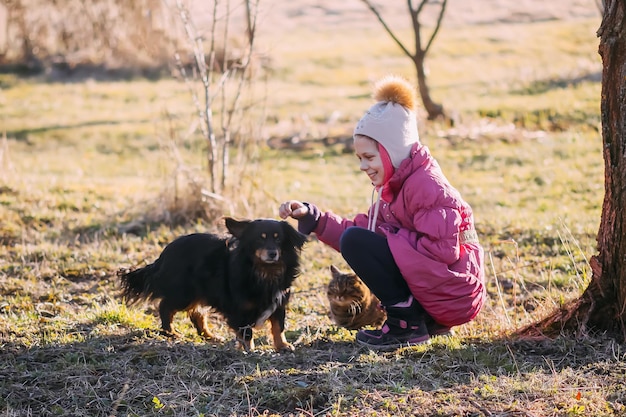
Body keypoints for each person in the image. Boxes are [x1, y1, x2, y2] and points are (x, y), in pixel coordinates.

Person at [278, 74, 486, 350]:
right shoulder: (396, 188)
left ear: (393, 153)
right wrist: (313, 218)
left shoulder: (427, 187)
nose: (363, 166)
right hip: (440, 291)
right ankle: (417, 319)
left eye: (369, 157)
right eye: (359, 159)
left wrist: (393, 239)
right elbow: (361, 233)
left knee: (359, 240)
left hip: (455, 293)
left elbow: (442, 253)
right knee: (356, 238)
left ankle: (407, 324)